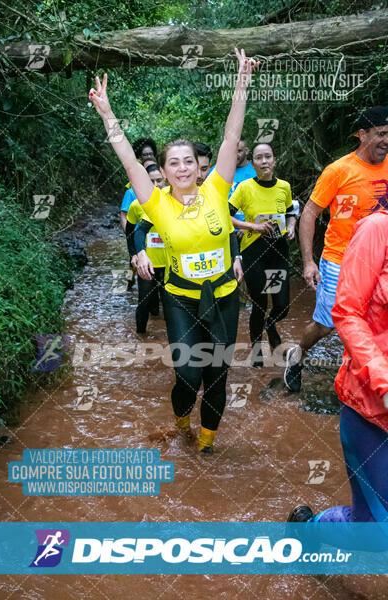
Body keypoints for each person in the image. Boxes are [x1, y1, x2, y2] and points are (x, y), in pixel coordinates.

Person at [90, 48, 257, 453]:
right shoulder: (156, 203)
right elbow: (128, 159)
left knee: (217, 376)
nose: (183, 168)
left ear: (198, 168)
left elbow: (231, 136)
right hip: (181, 299)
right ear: (163, 171)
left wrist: (241, 83)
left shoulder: (217, 189)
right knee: (187, 375)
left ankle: (206, 444)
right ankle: (182, 420)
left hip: (223, 297)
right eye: (174, 163)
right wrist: (109, 115)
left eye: (188, 162)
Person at [288, 210, 388, 523]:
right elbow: (347, 313)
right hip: (371, 407)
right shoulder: (376, 230)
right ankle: (307, 530)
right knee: (376, 529)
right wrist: (383, 381)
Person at [284, 106, 388, 392]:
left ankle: (368, 382)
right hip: (339, 261)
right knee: (327, 326)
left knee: (377, 322)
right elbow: (309, 213)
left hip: (381, 263)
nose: (386, 140)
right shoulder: (339, 171)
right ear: (362, 134)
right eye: (380, 134)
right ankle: (297, 356)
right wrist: (308, 262)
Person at [229, 143, 296, 365]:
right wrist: (251, 226)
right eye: (259, 157)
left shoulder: (284, 187)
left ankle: (271, 325)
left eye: (268, 156)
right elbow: (225, 216)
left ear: (274, 160)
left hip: (277, 251)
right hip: (253, 251)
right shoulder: (244, 187)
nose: (264, 161)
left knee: (282, 305)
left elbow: (290, 213)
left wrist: (292, 226)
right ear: (253, 163)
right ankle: (257, 350)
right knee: (259, 303)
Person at [125, 164, 167, 333]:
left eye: (159, 180)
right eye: (151, 182)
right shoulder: (136, 205)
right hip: (147, 263)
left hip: (172, 264)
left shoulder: (173, 201)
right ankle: (140, 339)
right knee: (144, 301)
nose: (156, 185)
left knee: (172, 305)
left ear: (165, 179)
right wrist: (133, 254)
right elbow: (129, 231)